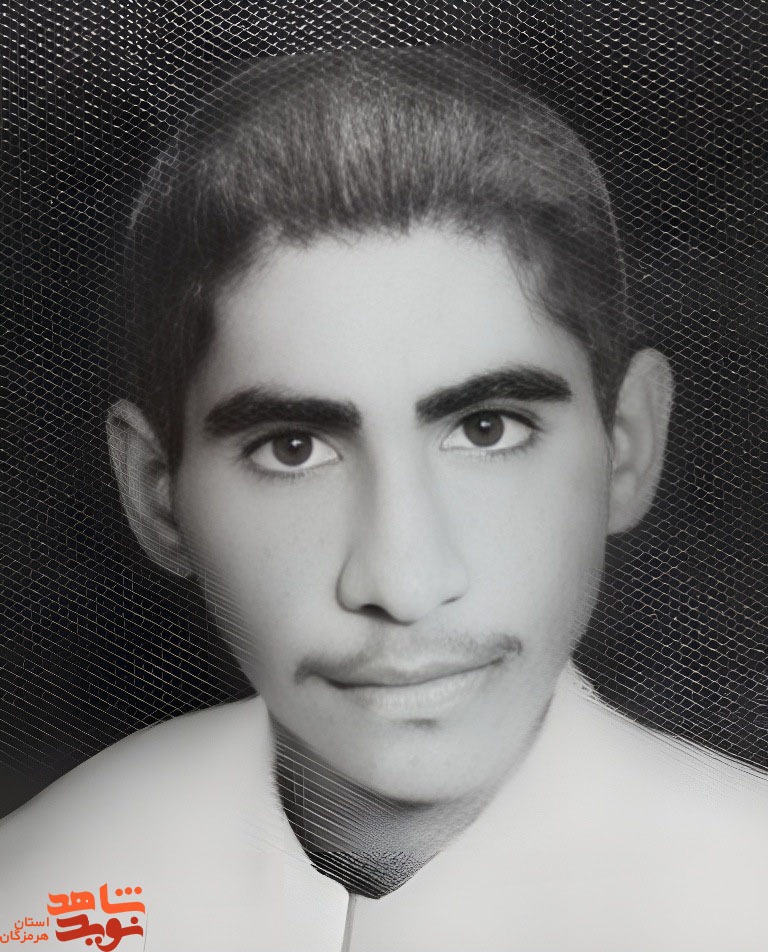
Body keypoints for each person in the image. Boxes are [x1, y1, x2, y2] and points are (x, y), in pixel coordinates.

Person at [0, 46, 765, 952]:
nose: (402, 583)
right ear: (156, 495)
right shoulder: (35, 894)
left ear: (626, 446)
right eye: (293, 448)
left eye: (487, 429)